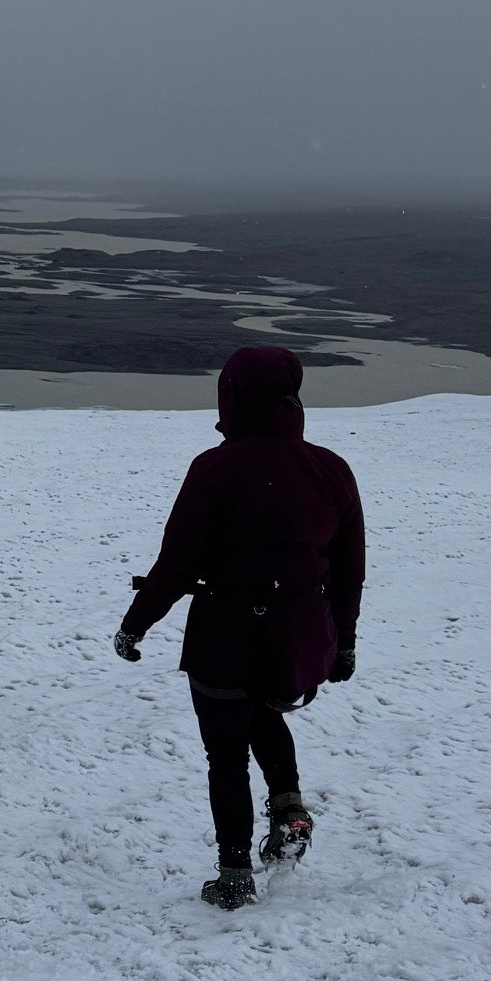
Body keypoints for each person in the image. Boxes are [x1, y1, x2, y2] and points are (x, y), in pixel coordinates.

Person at [115, 344, 365, 909]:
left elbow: (178, 563)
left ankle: (234, 874)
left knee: (225, 753)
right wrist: (343, 642)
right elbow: (350, 571)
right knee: (264, 712)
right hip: (296, 637)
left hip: (224, 634)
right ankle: (289, 809)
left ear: (232, 397)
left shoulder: (214, 469)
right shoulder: (331, 470)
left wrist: (136, 625)